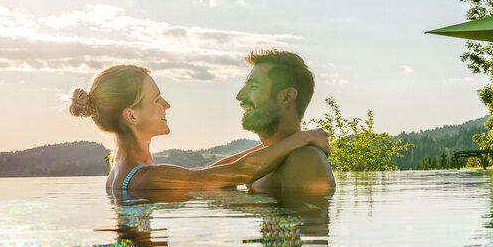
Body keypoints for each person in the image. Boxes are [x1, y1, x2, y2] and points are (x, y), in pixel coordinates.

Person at [68, 64, 329, 193]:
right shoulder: (145, 177)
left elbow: (205, 171)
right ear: (132, 115)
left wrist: (272, 146)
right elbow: (236, 174)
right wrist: (303, 138)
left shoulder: (126, 171)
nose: (166, 105)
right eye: (157, 99)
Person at [229, 50, 335, 193]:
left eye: (253, 86)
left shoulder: (305, 160)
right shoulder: (266, 160)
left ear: (286, 97)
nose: (240, 96)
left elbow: (193, 178)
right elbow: (205, 172)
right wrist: (302, 138)